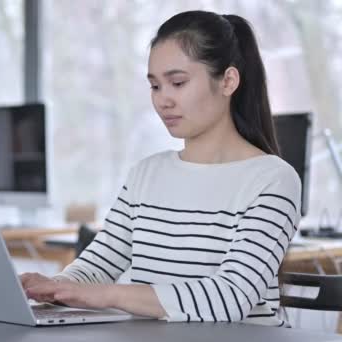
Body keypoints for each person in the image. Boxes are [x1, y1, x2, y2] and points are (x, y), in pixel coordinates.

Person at [20, 10, 300, 326]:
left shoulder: (273, 180)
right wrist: (52, 289)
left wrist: (109, 294)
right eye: (155, 86)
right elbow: (99, 264)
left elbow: (230, 296)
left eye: (177, 82)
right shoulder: (146, 174)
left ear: (228, 81)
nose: (163, 100)